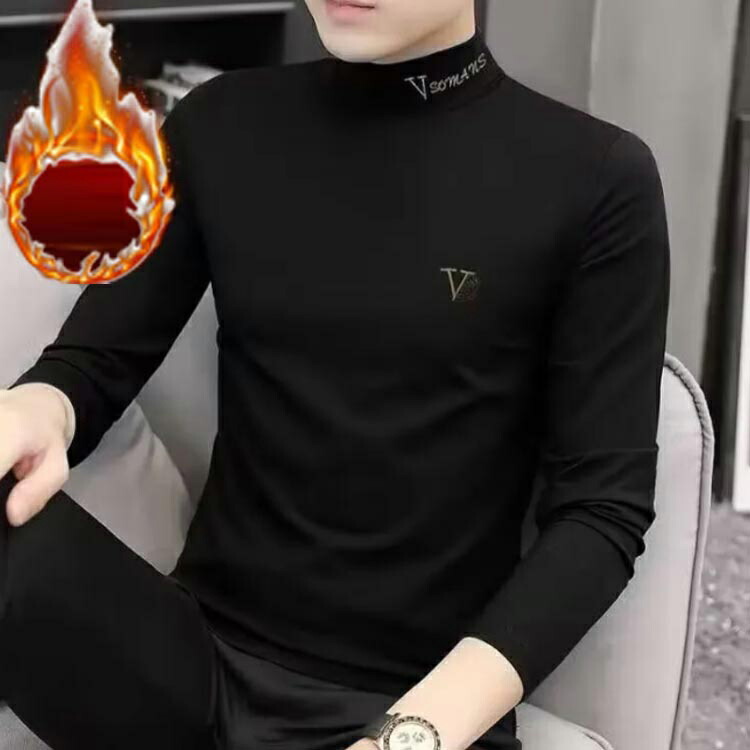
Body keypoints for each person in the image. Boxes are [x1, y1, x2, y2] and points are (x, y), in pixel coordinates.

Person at [0, 0, 671, 749]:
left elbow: (600, 513)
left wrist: (413, 733)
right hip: (188, 671)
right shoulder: (221, 122)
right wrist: (38, 407)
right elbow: (97, 359)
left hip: (407, 705)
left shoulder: (595, 178)